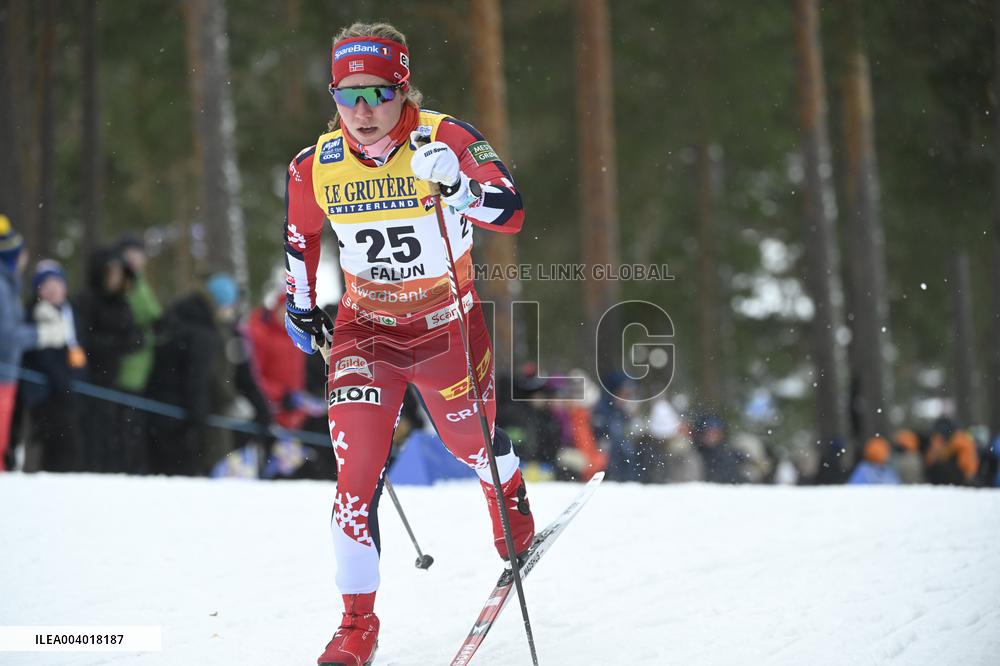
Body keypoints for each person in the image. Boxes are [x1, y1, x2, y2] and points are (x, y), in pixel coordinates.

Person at [281, 22, 530, 665]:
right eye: (348, 95)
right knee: (355, 474)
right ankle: (355, 625)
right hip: (365, 332)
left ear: (404, 89)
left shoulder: (447, 138)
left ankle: (503, 484)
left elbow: (511, 211)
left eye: (378, 94)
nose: (362, 111)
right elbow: (301, 237)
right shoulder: (315, 165)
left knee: (467, 443)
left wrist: (460, 188)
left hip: (446, 324)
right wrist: (301, 304)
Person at [0, 217, 69, 471]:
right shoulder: (2, 287)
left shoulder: (9, 285)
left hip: (7, 376)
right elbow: (7, 337)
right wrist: (43, 334)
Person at [20, 260, 86, 472]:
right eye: (46, 285)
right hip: (43, 395)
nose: (52, 289)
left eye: (56, 284)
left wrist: (77, 378)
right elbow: (43, 357)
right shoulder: (36, 313)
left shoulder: (70, 313)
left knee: (69, 447)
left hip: (69, 392)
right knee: (46, 445)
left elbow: (79, 349)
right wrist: (63, 380)